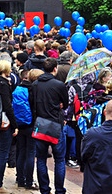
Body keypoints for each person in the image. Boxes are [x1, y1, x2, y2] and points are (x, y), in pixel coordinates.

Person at [31, 58, 68, 194]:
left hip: (40, 123)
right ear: (55, 68)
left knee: (41, 159)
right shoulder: (59, 85)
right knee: (59, 159)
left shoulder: (35, 84)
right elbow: (66, 103)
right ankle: (59, 190)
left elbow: (32, 103)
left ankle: (44, 189)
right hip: (56, 124)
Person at [0, 60, 18, 192]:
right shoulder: (4, 84)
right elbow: (8, 106)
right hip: (4, 121)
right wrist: (15, 125)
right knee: (3, 153)